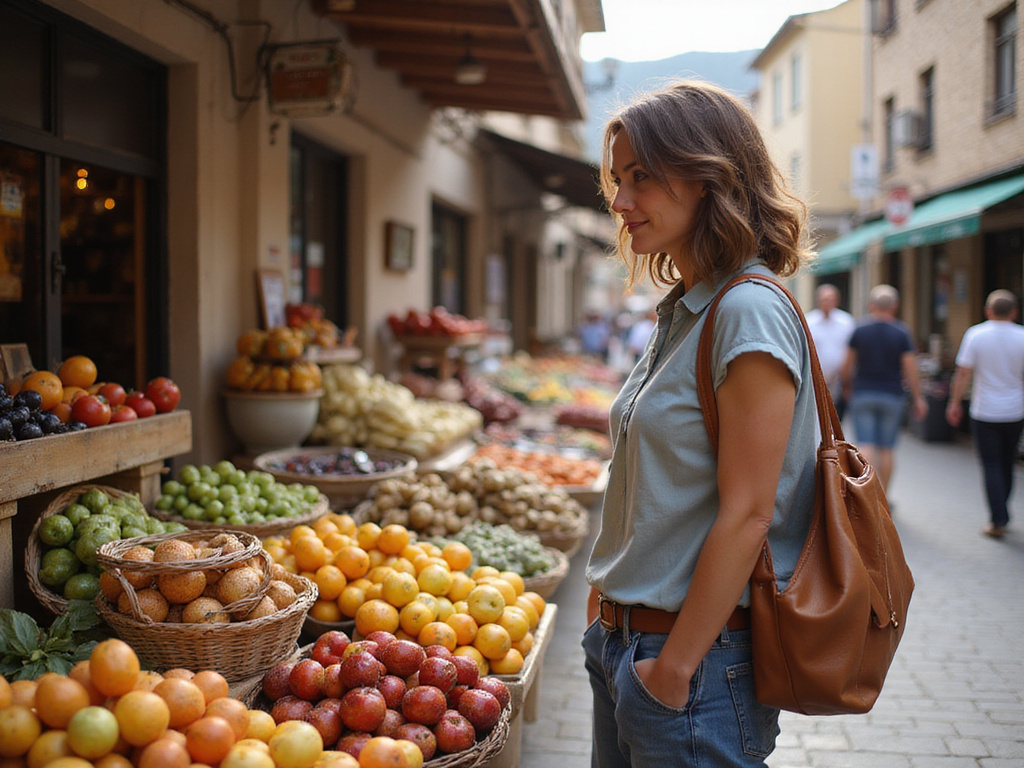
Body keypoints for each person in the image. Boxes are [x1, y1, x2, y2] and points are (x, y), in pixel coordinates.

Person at [584, 80, 819, 768]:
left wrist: (674, 669)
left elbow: (750, 514)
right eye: (619, 180)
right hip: (628, 645)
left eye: (643, 178)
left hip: (695, 667)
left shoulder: (746, 311)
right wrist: (606, 609)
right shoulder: (686, 309)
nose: (621, 202)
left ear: (710, 173)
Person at [945, 289, 1024, 538]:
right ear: (1014, 312)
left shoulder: (976, 334)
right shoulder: (1022, 336)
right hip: (1015, 411)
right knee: (1007, 462)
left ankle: (997, 518)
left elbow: (963, 373)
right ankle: (1002, 511)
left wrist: (954, 402)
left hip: (984, 411)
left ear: (988, 311)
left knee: (990, 464)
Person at [842, 284, 928, 492]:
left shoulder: (860, 330)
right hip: (892, 395)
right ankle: (884, 497)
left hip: (863, 393)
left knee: (866, 445)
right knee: (887, 448)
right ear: (895, 306)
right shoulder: (901, 332)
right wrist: (918, 397)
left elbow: (847, 365)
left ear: (871, 305)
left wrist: (847, 386)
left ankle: (867, 496)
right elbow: (910, 368)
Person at [805, 283, 855, 419]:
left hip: (840, 380)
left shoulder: (846, 322)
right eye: (823, 299)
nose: (826, 303)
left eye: (830, 299)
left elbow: (850, 350)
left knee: (838, 417)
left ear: (836, 301)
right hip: (815, 378)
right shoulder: (809, 321)